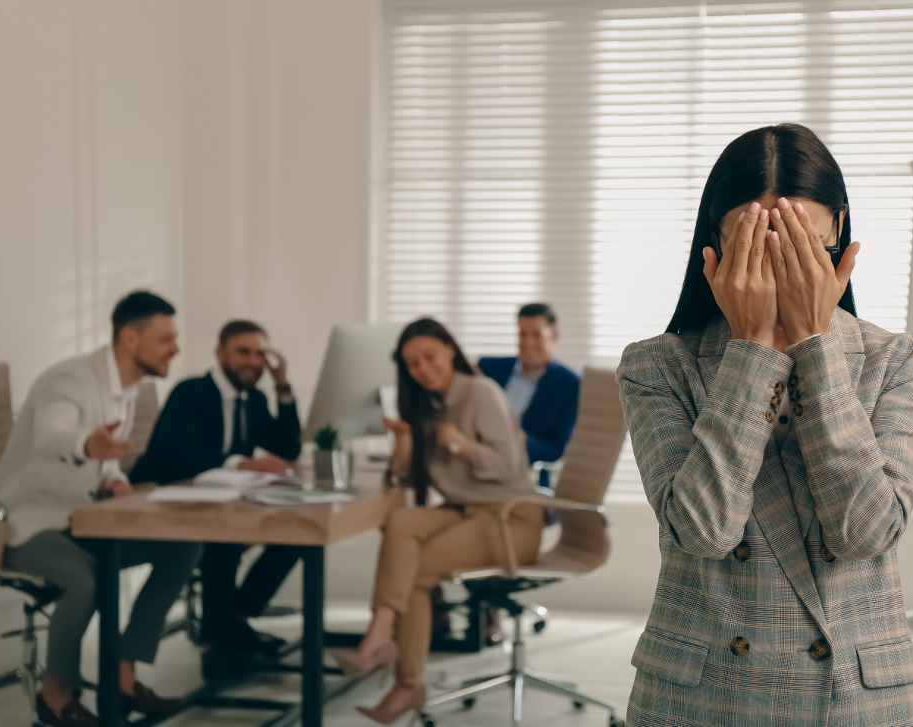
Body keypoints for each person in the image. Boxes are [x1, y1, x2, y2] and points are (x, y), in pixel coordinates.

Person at [617, 123, 913, 727]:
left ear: (839, 232)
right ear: (714, 247)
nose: (778, 270)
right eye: (756, 249)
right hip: (699, 696)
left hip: (853, 694)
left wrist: (816, 344)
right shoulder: (656, 365)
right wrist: (752, 350)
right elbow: (704, 530)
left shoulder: (903, 362)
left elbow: (866, 530)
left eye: (800, 247)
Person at [0, 291, 201, 727]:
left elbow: (105, 457)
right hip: (21, 522)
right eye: (167, 338)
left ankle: (123, 674)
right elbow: (53, 434)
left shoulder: (125, 389)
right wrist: (86, 444)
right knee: (86, 578)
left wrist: (112, 476)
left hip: (77, 517)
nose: (176, 348)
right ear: (130, 338)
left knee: (182, 544)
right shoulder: (69, 380)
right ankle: (55, 696)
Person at [333, 318, 543, 724]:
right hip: (469, 512)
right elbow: (408, 479)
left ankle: (393, 664)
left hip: (511, 520)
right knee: (401, 522)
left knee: (415, 569)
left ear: (450, 348)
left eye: (429, 357)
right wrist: (405, 442)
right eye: (412, 364)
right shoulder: (427, 404)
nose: (423, 369)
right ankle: (384, 643)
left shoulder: (480, 392)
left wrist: (459, 444)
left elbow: (509, 469)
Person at [129, 320, 302, 676]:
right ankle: (218, 645)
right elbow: (178, 454)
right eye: (243, 352)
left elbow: (288, 447)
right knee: (224, 541)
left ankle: (233, 621)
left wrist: (282, 386)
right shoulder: (190, 392)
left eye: (259, 354)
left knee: (297, 532)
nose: (253, 361)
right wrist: (241, 463)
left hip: (217, 505)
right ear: (220, 353)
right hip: (161, 501)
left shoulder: (253, 398)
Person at [478, 303, 580, 488]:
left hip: (525, 476)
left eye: (536, 335)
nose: (528, 342)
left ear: (554, 336)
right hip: (478, 463)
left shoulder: (570, 385)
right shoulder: (488, 368)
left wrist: (521, 439)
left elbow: (556, 451)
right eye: (522, 334)